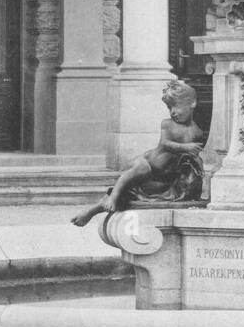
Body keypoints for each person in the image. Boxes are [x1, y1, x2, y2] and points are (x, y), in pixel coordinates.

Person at [70, 79, 205, 225]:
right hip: (148, 163)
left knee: (130, 195)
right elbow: (165, 144)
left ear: (192, 103)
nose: (173, 112)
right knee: (139, 172)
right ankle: (112, 198)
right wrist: (186, 148)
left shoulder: (197, 131)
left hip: (163, 175)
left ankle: (94, 210)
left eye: (176, 106)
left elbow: (191, 158)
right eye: (169, 107)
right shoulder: (168, 124)